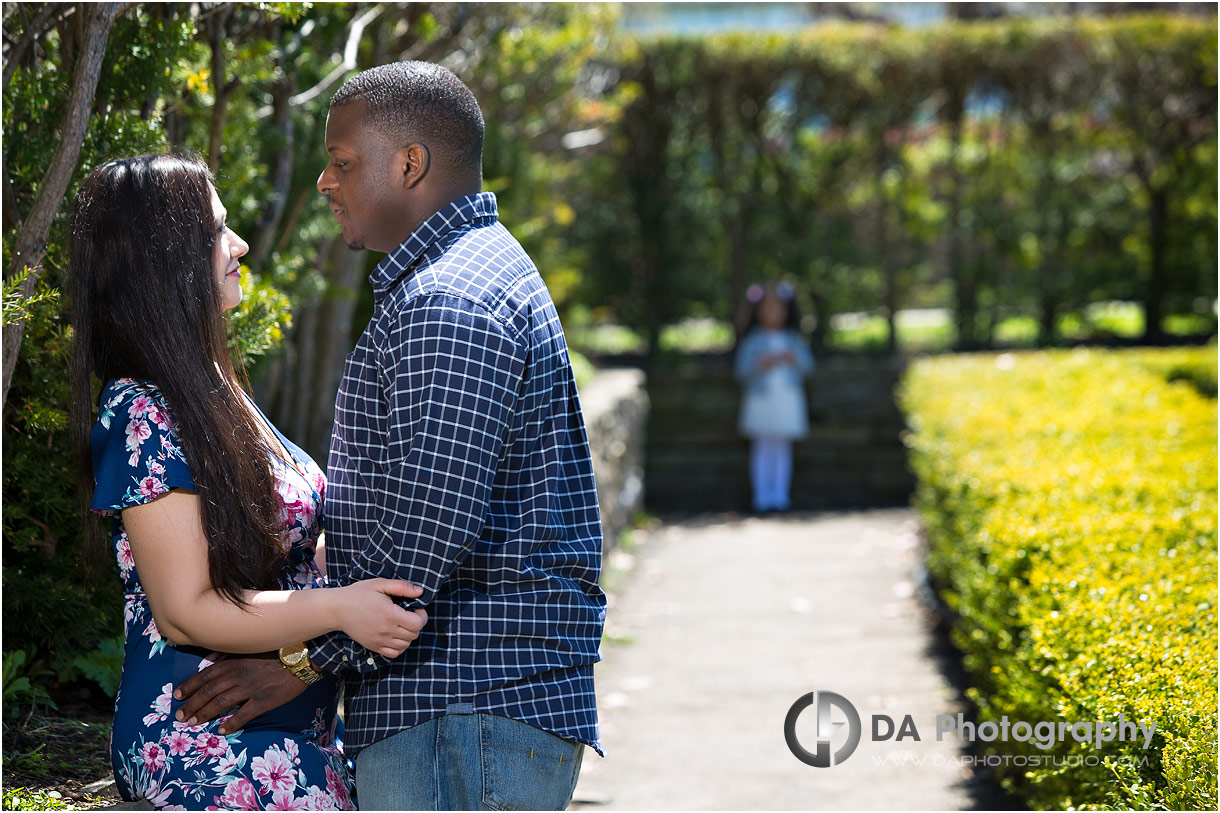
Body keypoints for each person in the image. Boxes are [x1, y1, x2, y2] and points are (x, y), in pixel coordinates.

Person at [174, 61, 606, 810]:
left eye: (342, 162)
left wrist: (304, 662)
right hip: (466, 714)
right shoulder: (464, 276)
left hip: (462, 711)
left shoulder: (450, 299)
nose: (323, 182)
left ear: (410, 164)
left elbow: (421, 536)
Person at [68, 154, 429, 810]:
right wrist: (342, 608)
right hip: (212, 746)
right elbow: (184, 610)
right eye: (217, 231)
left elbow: (283, 553)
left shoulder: (215, 383)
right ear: (164, 258)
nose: (238, 246)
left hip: (294, 739)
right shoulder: (143, 406)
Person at [734, 282, 815, 513]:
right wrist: (760, 364)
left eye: (777, 308)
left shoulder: (793, 340)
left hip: (787, 400)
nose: (772, 313)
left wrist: (793, 358)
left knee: (783, 449)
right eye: (767, 308)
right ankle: (761, 497)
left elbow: (808, 367)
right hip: (761, 401)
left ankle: (780, 496)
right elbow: (741, 371)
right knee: (762, 448)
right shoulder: (753, 341)